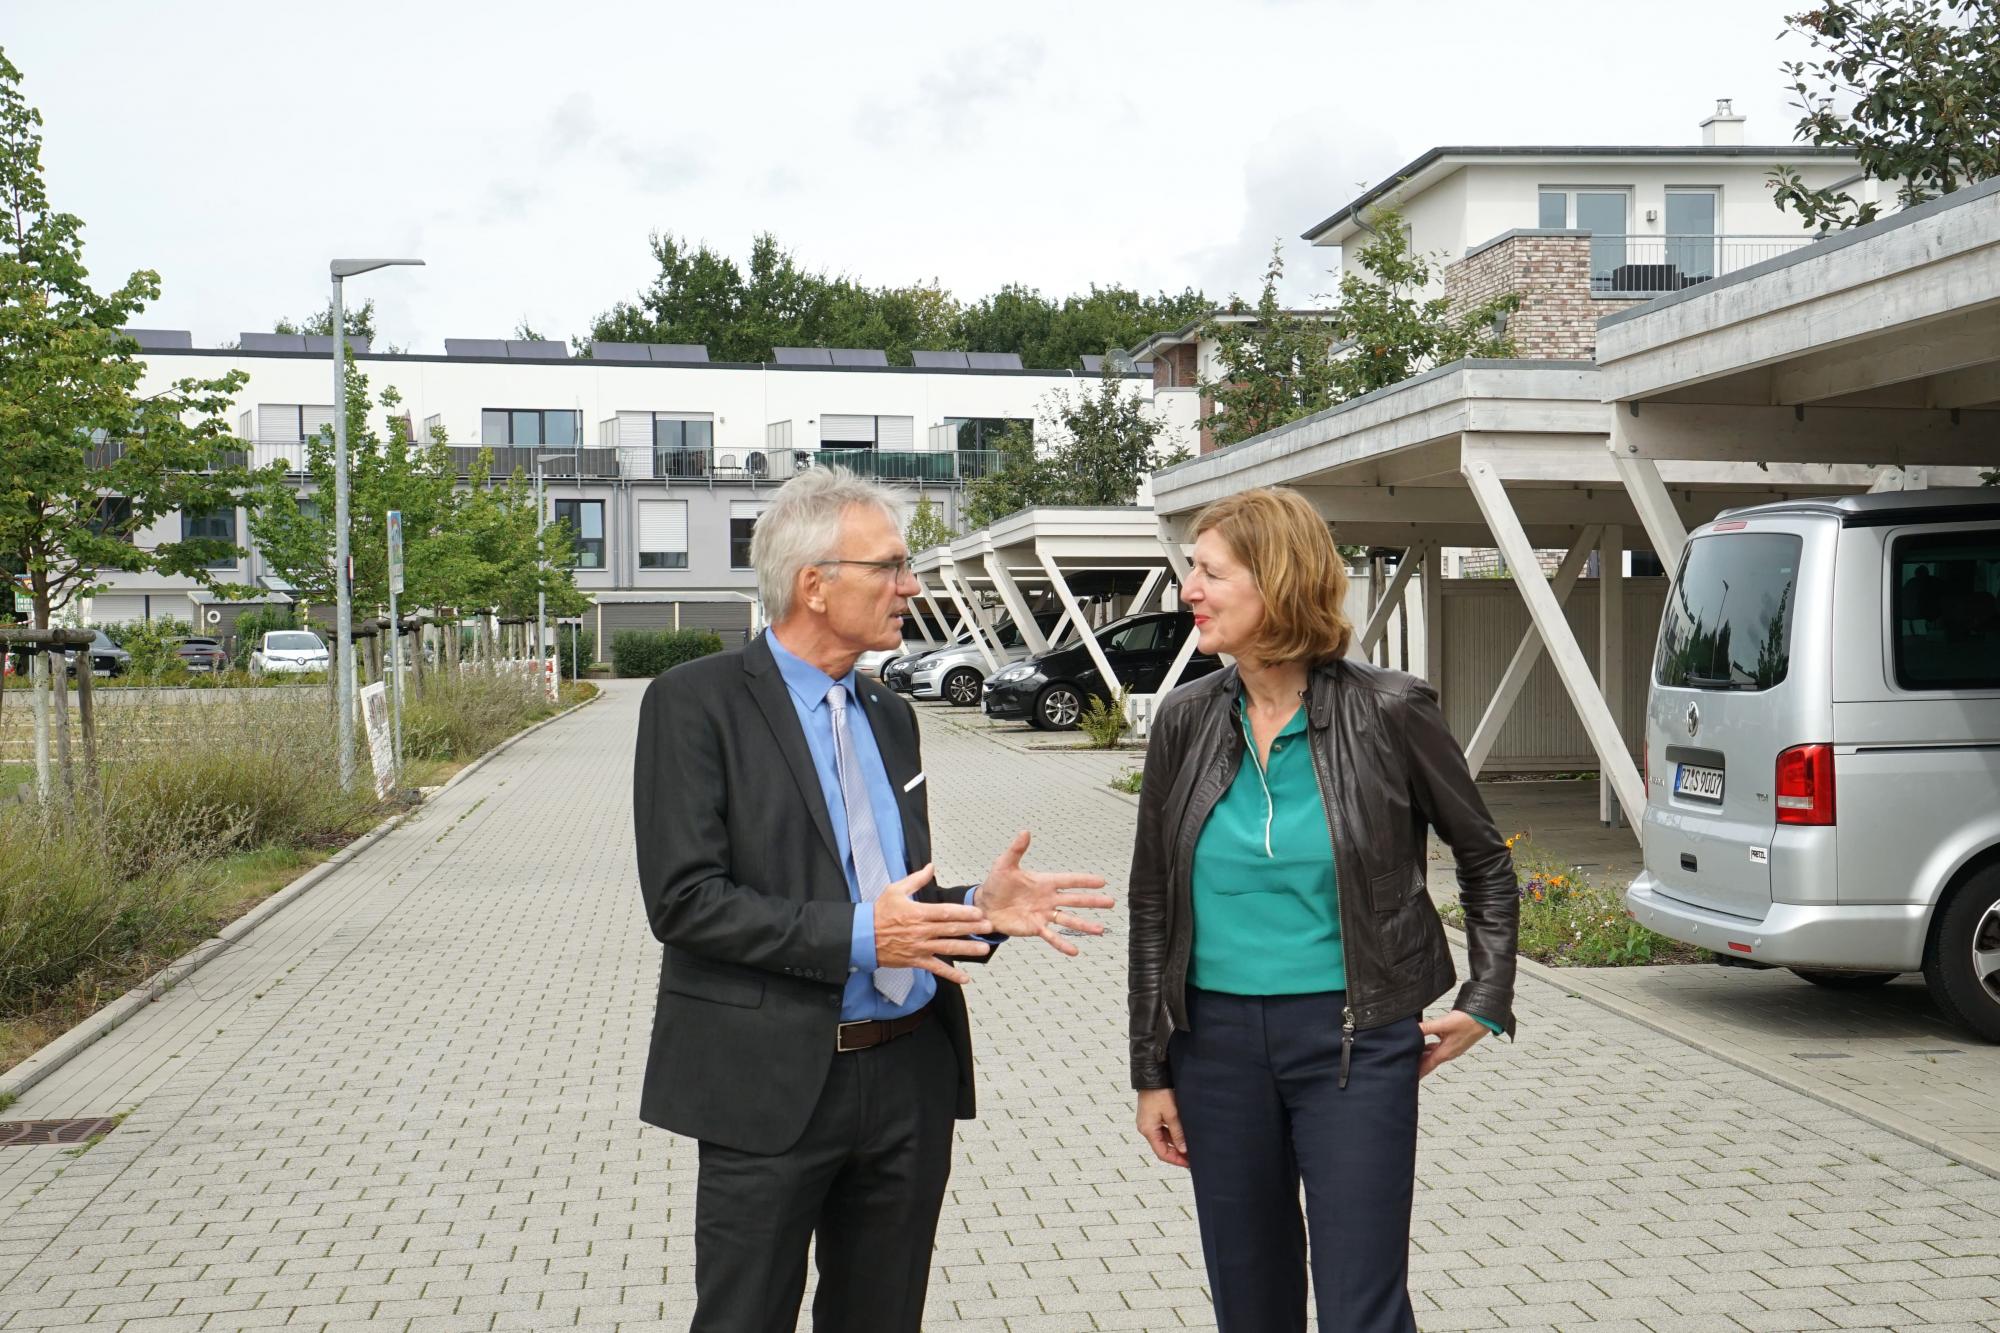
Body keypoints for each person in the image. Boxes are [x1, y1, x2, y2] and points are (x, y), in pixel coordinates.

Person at [634, 466, 1113, 1333]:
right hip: (768, 1083)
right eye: (890, 566)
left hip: (907, 1075)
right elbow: (686, 902)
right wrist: (863, 936)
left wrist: (979, 908)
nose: (911, 586)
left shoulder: (891, 712)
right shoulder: (694, 703)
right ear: (814, 585)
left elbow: (891, 899)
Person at [1127, 487, 1520, 1333]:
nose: (1189, 589)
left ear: (1277, 580)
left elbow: (1485, 857)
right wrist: (1151, 1070)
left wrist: (1485, 999)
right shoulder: (1185, 719)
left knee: (1360, 1306)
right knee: (1251, 1303)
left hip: (1354, 1041)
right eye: (1192, 569)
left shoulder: (1391, 710)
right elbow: (1152, 902)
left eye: (1209, 572)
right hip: (1214, 1047)